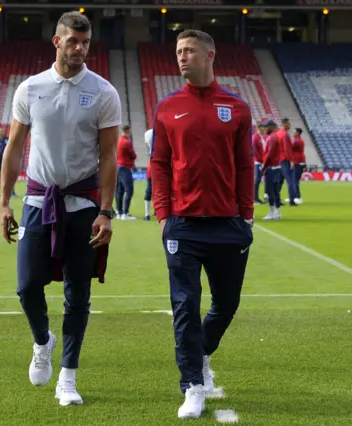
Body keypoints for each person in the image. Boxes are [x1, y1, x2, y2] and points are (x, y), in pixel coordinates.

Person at [0, 10, 121, 407]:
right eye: (73, 41)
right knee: (27, 286)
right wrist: (4, 201)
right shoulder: (30, 89)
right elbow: (14, 148)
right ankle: (42, 341)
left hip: (83, 205)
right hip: (37, 202)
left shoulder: (104, 92)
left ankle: (67, 376)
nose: (81, 49)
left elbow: (108, 158)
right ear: (57, 41)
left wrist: (106, 211)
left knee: (78, 294)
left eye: (86, 43)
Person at [150, 29, 254, 420]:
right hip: (184, 226)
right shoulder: (166, 108)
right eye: (178, 51)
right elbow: (159, 164)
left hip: (229, 223)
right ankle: (192, 385)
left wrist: (246, 214)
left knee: (226, 304)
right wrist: (163, 215)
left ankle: (202, 353)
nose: (181, 57)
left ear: (210, 54)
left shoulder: (237, 108)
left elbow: (245, 164)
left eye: (189, 50)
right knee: (185, 305)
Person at [260, 120, 282, 220]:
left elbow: (270, 153)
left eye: (266, 126)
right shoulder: (273, 137)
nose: (265, 128)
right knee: (276, 190)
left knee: (270, 190)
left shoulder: (272, 137)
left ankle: (272, 212)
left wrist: (264, 166)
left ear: (272, 127)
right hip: (276, 167)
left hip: (271, 168)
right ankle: (277, 212)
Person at [115, 124, 136, 220]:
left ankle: (119, 212)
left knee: (120, 190)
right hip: (125, 167)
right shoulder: (126, 142)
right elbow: (133, 155)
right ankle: (125, 213)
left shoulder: (119, 141)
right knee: (129, 190)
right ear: (127, 130)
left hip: (119, 166)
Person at [276, 118, 296, 206]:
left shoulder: (278, 133)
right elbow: (287, 149)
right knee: (290, 181)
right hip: (285, 160)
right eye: (289, 123)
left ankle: (277, 199)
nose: (290, 125)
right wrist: (291, 160)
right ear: (285, 124)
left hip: (278, 160)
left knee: (279, 181)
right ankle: (291, 200)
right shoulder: (285, 135)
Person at [0, 127, 16, 197]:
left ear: (4, 132)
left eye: (2, 131)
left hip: (8, 160)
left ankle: (12, 192)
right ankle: (3, 193)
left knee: (10, 176)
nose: (1, 133)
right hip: (0, 161)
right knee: (1, 177)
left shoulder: (8, 139)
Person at [291, 127, 306, 205]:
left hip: (298, 162)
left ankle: (297, 197)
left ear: (297, 133)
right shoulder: (298, 140)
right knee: (294, 180)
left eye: (294, 131)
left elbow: (290, 149)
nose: (292, 133)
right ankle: (294, 196)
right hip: (299, 161)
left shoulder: (297, 141)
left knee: (295, 180)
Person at [252, 121, 265, 204]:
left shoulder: (261, 137)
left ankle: (257, 198)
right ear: (258, 129)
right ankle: (254, 198)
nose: (263, 130)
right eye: (262, 129)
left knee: (258, 180)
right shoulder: (255, 137)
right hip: (258, 162)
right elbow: (255, 151)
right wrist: (261, 160)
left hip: (261, 161)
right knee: (256, 180)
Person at [143, 128, 154, 221]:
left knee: (149, 191)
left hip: (152, 167)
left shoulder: (149, 133)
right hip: (155, 166)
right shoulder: (153, 133)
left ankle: (147, 214)